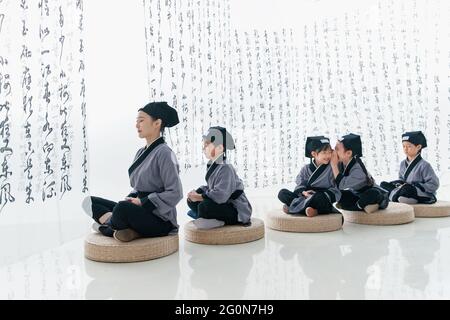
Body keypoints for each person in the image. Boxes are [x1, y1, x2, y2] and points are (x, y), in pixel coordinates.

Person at [82, 101, 183, 241]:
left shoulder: (165, 153)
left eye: (141, 121)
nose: (137, 125)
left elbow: (175, 193)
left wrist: (142, 202)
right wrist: (132, 198)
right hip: (139, 210)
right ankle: (123, 227)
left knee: (121, 209)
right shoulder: (140, 152)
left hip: (159, 219)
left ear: (157, 123)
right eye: (137, 121)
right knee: (89, 202)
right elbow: (138, 187)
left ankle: (107, 227)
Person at [186, 126, 252, 229]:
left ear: (220, 148)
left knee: (204, 206)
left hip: (234, 208)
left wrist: (199, 197)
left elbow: (221, 196)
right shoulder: (212, 164)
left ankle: (216, 221)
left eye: (207, 144)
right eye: (204, 145)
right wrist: (197, 192)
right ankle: (205, 216)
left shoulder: (226, 168)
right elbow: (210, 186)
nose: (204, 148)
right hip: (221, 202)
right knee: (190, 201)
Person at [278, 136, 341, 217]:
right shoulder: (306, 168)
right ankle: (311, 210)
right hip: (305, 196)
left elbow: (335, 188)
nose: (328, 155)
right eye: (324, 153)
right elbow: (300, 184)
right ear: (314, 154)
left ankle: (295, 207)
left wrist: (317, 195)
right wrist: (304, 192)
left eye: (329, 152)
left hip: (321, 196)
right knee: (282, 193)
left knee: (319, 198)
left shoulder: (332, 167)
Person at [380, 131, 439, 204]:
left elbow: (434, 184)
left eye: (409, 146)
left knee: (408, 189)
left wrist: (417, 186)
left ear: (418, 147)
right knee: (383, 184)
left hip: (420, 192)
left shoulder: (424, 165)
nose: (405, 149)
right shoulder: (402, 163)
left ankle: (397, 197)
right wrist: (398, 183)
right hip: (404, 189)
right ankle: (402, 197)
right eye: (404, 146)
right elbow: (401, 180)